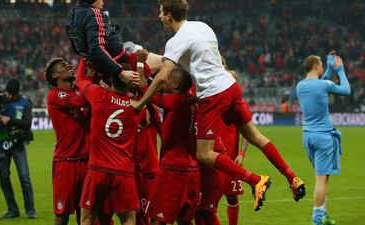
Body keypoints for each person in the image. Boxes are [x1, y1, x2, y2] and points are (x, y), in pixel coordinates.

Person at [131, 0, 306, 211]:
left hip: (213, 95)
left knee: (204, 154)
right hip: (231, 86)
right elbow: (185, 60)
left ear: (168, 15)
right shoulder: (203, 27)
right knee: (255, 136)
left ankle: (255, 179)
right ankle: (292, 177)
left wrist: (141, 103)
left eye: (160, 13)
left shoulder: (176, 41)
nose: (159, 18)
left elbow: (161, 77)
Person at [75, 59, 147, 225]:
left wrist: (85, 59)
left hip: (97, 170)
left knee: (87, 220)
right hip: (123, 172)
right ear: (131, 84)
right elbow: (147, 120)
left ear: (111, 78)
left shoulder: (99, 95)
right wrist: (141, 66)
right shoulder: (137, 106)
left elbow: (80, 80)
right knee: (128, 220)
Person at [296, 53, 350, 225]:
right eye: (320, 66)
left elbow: (320, 82)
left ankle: (323, 214)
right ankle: (318, 219)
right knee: (321, 179)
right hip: (323, 137)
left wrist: (328, 68)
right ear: (317, 67)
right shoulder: (324, 84)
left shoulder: (300, 86)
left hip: (307, 136)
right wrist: (340, 70)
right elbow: (346, 90)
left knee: (323, 177)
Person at [146, 68, 200, 225]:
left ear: (175, 84)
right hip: (192, 170)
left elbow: (148, 93)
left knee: (157, 219)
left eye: (167, 79)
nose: (163, 80)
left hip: (174, 169)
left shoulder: (177, 101)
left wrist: (142, 66)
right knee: (184, 221)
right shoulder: (191, 100)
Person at [45, 58, 91, 225]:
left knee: (86, 215)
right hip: (66, 163)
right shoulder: (54, 95)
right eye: (63, 66)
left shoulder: (80, 90)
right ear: (56, 75)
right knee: (62, 215)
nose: (69, 66)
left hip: (87, 162)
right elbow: (79, 101)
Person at [0, 78, 36, 219]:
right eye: (8, 93)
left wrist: (10, 120)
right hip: (1, 144)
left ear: (17, 93)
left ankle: (30, 211)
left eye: (12, 94)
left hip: (17, 144)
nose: (9, 96)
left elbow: (27, 124)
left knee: (24, 177)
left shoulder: (24, 103)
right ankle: (13, 210)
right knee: (4, 178)